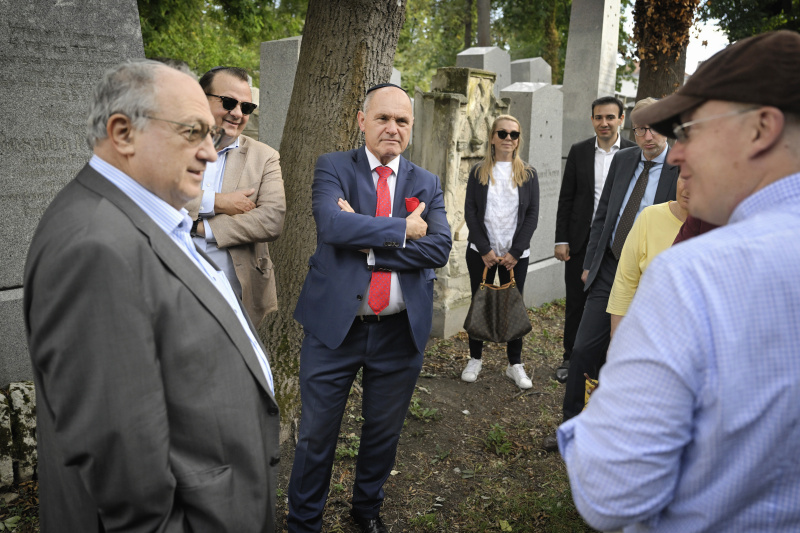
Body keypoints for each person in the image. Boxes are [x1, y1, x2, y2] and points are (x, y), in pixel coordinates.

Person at [558, 30, 800, 531]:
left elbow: (609, 492)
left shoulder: (696, 276)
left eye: (689, 130)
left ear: (761, 129)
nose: (674, 155)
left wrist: (597, 422)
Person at [24, 60, 280, 532]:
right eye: (192, 132)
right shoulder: (94, 246)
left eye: (210, 134)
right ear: (122, 133)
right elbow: (121, 467)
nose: (209, 153)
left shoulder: (146, 218)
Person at [288, 83, 452, 533]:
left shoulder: (427, 182)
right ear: (362, 121)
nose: (392, 128)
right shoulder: (334, 167)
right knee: (317, 435)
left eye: (401, 120)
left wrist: (370, 245)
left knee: (382, 435)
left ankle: (366, 513)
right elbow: (332, 224)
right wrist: (403, 228)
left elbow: (439, 247)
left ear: (411, 127)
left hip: (400, 332)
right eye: (383, 118)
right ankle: (304, 523)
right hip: (333, 330)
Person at [544, 97, 680, 452]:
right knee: (584, 348)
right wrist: (591, 259)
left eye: (653, 127)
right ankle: (571, 429)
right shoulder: (623, 160)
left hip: (651, 276)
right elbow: (604, 213)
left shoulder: (681, 166)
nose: (646, 135)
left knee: (634, 356)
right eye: (640, 128)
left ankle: (624, 433)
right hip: (608, 268)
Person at [184, 66, 286, 327]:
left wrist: (201, 226)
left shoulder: (265, 157)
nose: (238, 114)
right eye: (229, 102)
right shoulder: (171, 144)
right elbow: (152, 194)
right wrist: (218, 202)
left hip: (235, 292)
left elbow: (270, 220)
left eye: (247, 107)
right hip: (171, 281)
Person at [554, 97, 636, 383]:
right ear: (592, 120)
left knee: (608, 304)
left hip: (616, 242)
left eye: (610, 117)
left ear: (621, 119)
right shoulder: (579, 152)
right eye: (599, 117)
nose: (604, 123)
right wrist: (561, 238)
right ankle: (569, 358)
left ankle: (602, 361)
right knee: (576, 302)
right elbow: (566, 198)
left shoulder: (633, 152)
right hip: (580, 239)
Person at [462, 114, 540, 389]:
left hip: (514, 256)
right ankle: (475, 358)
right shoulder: (479, 171)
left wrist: (515, 252)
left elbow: (531, 215)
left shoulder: (528, 174)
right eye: (503, 133)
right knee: (478, 301)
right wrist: (484, 248)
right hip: (481, 252)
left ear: (519, 139)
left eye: (514, 134)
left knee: (513, 304)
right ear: (493, 137)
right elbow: (470, 211)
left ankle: (514, 364)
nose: (509, 139)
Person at [607, 174, 689, 337]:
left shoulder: (725, 227)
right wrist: (617, 338)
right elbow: (625, 282)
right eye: (684, 177)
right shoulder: (650, 216)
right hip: (648, 333)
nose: (687, 188)